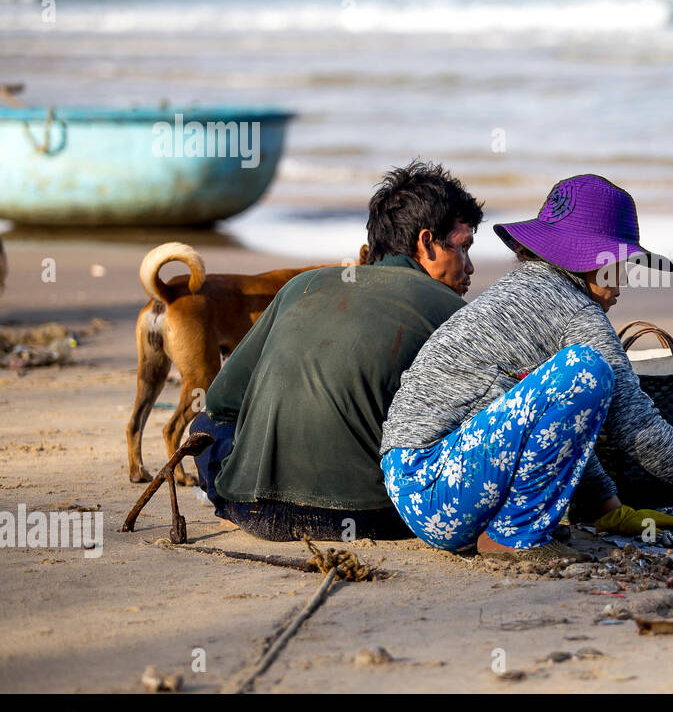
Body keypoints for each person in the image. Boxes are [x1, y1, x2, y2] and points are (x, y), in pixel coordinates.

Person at [380, 174, 673, 559]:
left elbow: (558, 427)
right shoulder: (577, 313)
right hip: (433, 481)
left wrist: (608, 509)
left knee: (575, 384)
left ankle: (516, 525)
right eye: (619, 265)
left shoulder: (523, 289)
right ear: (590, 258)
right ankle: (514, 536)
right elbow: (638, 426)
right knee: (589, 371)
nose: (622, 283)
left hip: (419, 485)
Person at [192, 162, 483, 541]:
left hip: (252, 509)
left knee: (205, 427)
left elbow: (220, 401)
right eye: (463, 248)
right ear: (426, 242)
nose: (470, 267)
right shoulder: (451, 310)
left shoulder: (305, 285)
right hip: (373, 517)